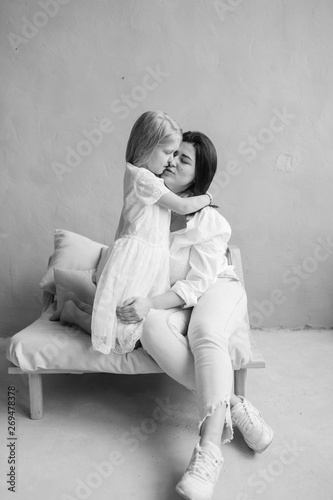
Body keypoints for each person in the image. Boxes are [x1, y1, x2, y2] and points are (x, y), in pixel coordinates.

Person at [59, 130, 273, 500]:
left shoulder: (210, 222)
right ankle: (234, 405)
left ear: (198, 175)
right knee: (151, 324)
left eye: (184, 159)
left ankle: (208, 453)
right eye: (173, 154)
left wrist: (150, 301)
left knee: (206, 331)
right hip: (172, 302)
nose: (172, 161)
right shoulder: (152, 205)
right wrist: (137, 301)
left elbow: (195, 285)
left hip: (215, 288)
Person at [90, 111, 212, 355]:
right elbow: (183, 206)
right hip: (137, 259)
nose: (170, 161)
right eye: (168, 153)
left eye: (177, 155)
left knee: (130, 322)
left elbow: (124, 223)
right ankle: (74, 313)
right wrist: (208, 197)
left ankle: (78, 310)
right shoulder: (144, 179)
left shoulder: (148, 180)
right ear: (147, 147)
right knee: (121, 328)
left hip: (148, 259)